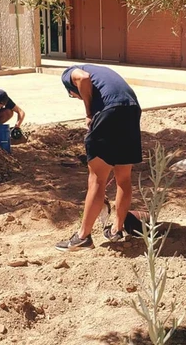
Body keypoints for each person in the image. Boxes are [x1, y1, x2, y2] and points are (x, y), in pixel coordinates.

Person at [55, 64, 142, 252]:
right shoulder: (100, 72)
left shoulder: (68, 74)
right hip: (132, 109)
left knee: (97, 180)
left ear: (72, 90)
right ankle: (117, 230)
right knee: (124, 178)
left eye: (74, 96)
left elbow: (83, 79)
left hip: (111, 111)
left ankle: (82, 237)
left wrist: (88, 112)